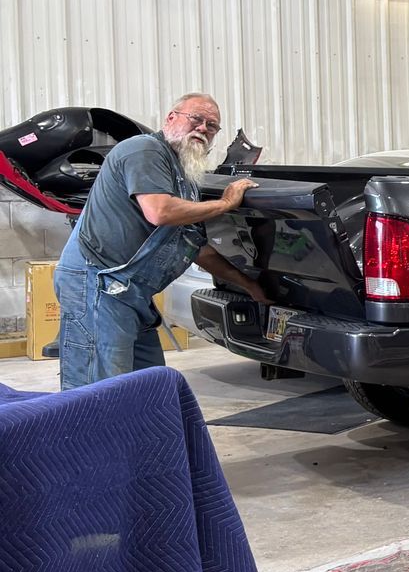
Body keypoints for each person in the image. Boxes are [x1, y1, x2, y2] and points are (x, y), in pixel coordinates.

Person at [53, 92, 267, 389]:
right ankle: (94, 437)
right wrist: (225, 204)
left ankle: (138, 437)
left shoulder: (183, 175)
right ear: (171, 118)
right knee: (99, 389)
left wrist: (249, 285)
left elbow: (196, 248)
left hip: (130, 292)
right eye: (196, 119)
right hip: (96, 283)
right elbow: (159, 212)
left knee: (149, 384)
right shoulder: (144, 151)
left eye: (212, 126)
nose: (204, 128)